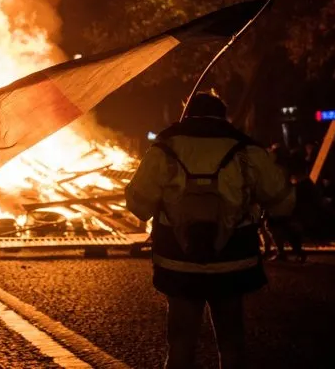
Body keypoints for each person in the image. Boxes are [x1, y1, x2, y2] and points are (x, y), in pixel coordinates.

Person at [126, 92, 294, 369]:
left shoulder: (165, 148)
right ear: (223, 114)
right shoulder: (245, 148)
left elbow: (138, 202)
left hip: (178, 259)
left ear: (187, 113)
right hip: (232, 258)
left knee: (180, 342)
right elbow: (282, 200)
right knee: (231, 341)